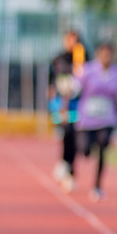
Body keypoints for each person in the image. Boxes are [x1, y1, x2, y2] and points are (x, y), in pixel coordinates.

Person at [73, 42, 117, 201]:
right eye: (104, 54)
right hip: (87, 118)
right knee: (84, 149)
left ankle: (97, 186)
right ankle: (76, 163)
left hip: (107, 119)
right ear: (99, 54)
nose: (107, 57)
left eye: (110, 54)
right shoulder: (88, 70)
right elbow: (74, 88)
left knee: (103, 148)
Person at [48, 30, 86, 192]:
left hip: (78, 103)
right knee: (66, 133)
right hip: (61, 103)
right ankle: (65, 163)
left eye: (74, 40)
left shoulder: (84, 58)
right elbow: (53, 81)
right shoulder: (58, 58)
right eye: (68, 40)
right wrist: (52, 99)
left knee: (75, 135)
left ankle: (69, 167)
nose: (71, 43)